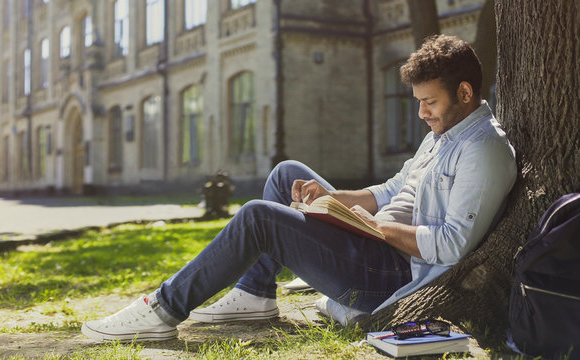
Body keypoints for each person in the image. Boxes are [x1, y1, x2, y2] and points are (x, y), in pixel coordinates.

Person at [81, 34, 517, 342]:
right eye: (418, 102)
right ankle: (255, 294)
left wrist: (374, 228)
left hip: (389, 274)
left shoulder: (482, 152)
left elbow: (452, 246)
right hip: (372, 239)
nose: (422, 113)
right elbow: (395, 188)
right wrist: (341, 201)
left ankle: (162, 309)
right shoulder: (443, 132)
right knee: (287, 173)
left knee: (258, 216)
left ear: (464, 92)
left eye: (429, 102)